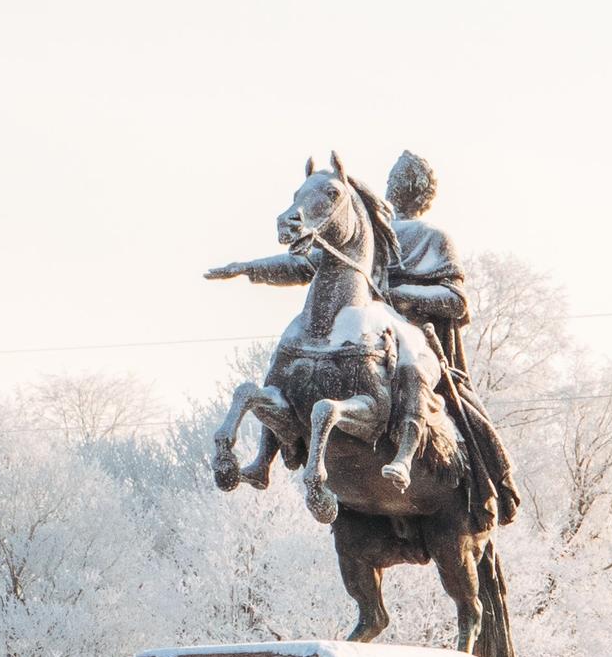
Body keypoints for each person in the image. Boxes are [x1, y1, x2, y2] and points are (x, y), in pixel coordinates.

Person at [205, 151, 521, 528]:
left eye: (405, 183)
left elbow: (456, 300)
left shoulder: (433, 238)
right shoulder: (363, 227)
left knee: (417, 370)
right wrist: (248, 269)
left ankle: (408, 454)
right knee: (289, 356)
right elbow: (305, 265)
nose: (398, 188)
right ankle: (266, 455)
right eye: (396, 181)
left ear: (421, 195)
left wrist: (400, 296)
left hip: (408, 330)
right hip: (359, 320)